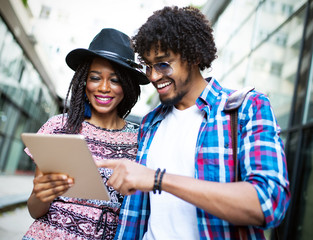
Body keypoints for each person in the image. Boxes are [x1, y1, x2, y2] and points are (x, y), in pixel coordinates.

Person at [100, 6, 291, 240]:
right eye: (149, 66)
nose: (153, 76)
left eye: (163, 64)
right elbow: (138, 213)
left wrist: (158, 179)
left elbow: (269, 202)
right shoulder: (151, 122)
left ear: (194, 56)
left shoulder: (247, 108)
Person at [22, 28, 149, 240]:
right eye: (95, 77)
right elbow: (35, 210)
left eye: (115, 80)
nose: (104, 87)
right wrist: (40, 195)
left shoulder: (140, 141)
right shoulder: (58, 127)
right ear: (84, 82)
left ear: (127, 86)